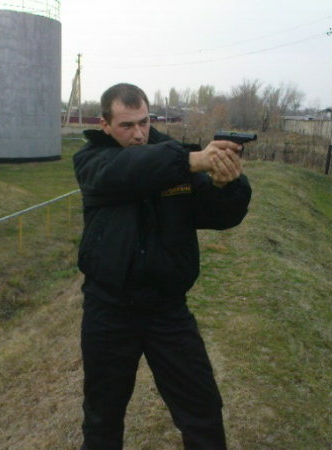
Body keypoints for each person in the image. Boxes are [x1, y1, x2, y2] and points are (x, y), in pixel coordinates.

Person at [73, 83, 252, 450]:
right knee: (102, 416)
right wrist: (189, 162)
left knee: (202, 410)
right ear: (104, 124)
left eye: (144, 122)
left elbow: (217, 215)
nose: (139, 134)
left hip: (167, 311)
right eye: (126, 125)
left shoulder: (172, 155)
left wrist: (226, 185)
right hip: (109, 310)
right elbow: (128, 172)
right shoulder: (93, 161)